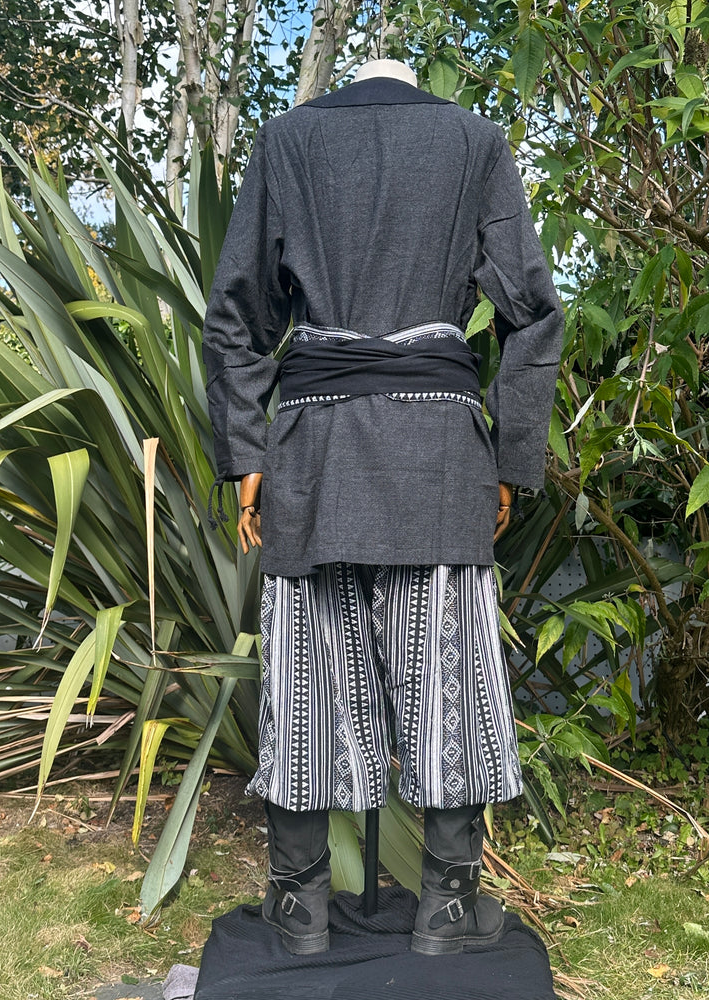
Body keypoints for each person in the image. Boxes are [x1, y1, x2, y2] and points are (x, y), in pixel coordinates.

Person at [202, 58, 562, 957]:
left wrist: (245, 452)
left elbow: (235, 311)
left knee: (305, 678)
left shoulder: (288, 140)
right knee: (449, 678)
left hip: (311, 451)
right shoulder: (475, 143)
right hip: (440, 453)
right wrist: (509, 459)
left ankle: (300, 910)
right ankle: (446, 905)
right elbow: (534, 316)